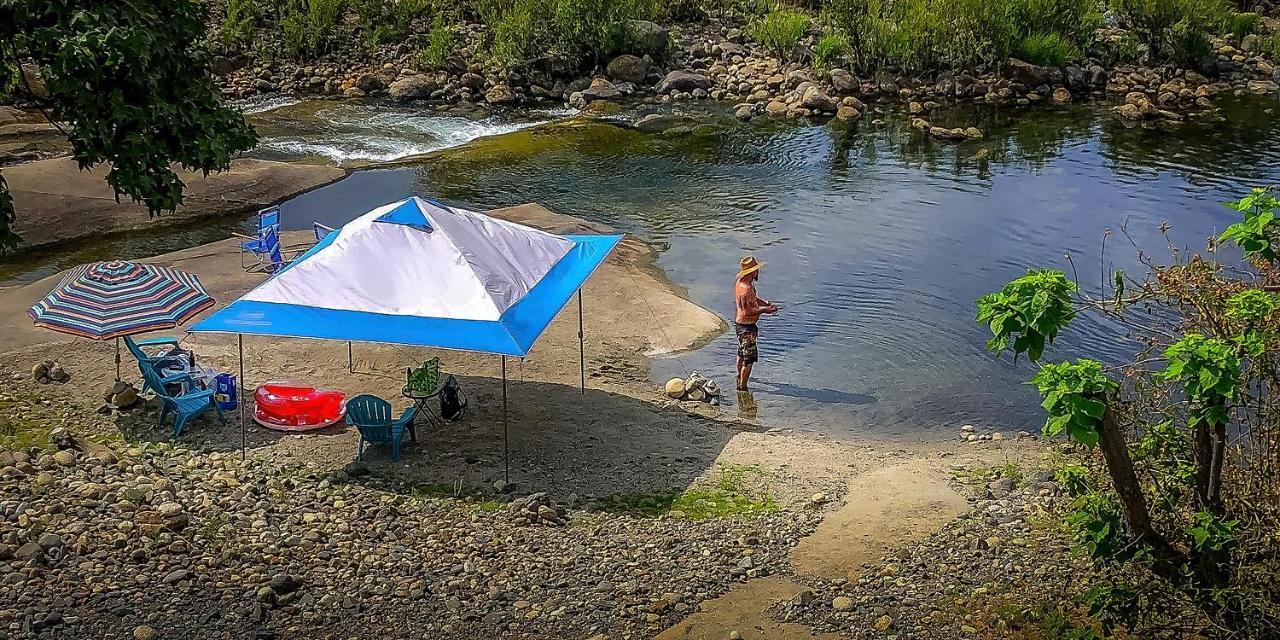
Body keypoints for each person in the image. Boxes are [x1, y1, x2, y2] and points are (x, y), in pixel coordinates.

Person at [734, 255, 778, 391]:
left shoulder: (742, 283)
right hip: (746, 327)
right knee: (749, 359)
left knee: (741, 353)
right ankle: (743, 388)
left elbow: (754, 300)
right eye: (757, 270)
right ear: (752, 272)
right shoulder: (746, 289)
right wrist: (766, 310)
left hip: (741, 325)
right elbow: (749, 311)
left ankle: (738, 378)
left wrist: (765, 303)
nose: (758, 272)